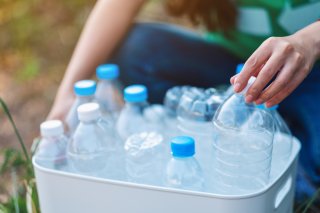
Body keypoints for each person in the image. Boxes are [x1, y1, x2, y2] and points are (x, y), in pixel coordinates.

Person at [47, 0, 320, 201]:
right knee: (137, 48)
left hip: (315, 70)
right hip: (231, 69)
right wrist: (68, 92)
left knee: (304, 174)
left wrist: (309, 41)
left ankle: (278, 139)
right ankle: (263, 129)